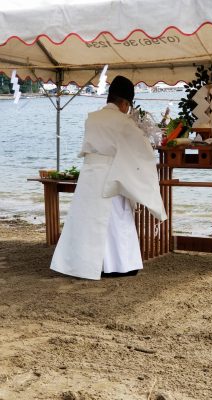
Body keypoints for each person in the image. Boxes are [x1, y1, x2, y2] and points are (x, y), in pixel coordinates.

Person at [50, 76, 167, 280]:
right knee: (116, 221)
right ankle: (119, 266)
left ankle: (82, 265)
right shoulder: (123, 122)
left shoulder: (92, 117)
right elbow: (140, 150)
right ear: (124, 103)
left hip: (90, 175)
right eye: (128, 105)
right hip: (112, 175)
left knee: (87, 222)